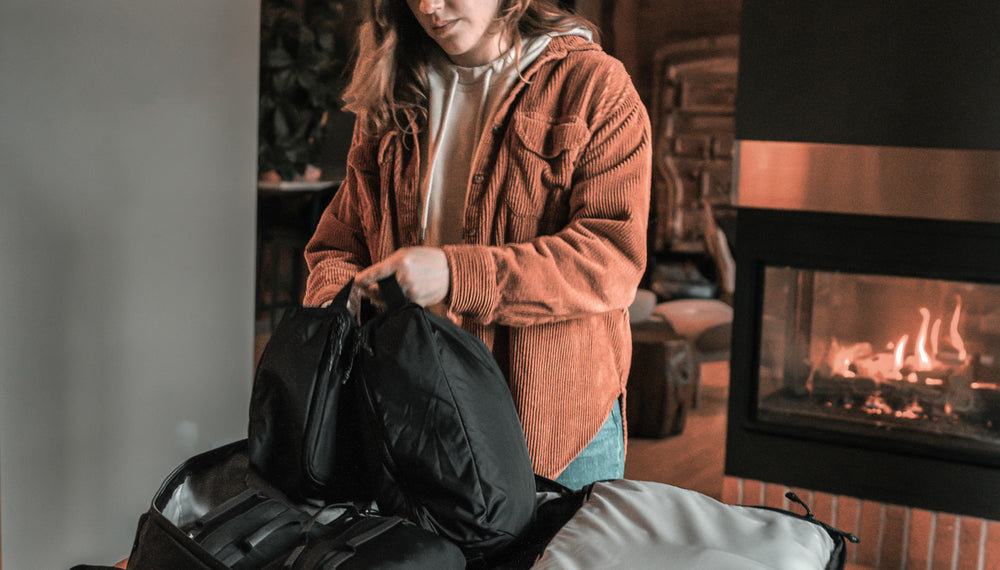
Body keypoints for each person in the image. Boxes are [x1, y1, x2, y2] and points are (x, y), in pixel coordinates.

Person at [303, 0, 651, 490]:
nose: (428, 7)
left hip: (554, 432)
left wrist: (454, 274)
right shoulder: (393, 86)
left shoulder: (594, 86)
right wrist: (337, 309)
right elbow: (339, 243)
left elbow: (611, 258)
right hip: (414, 419)